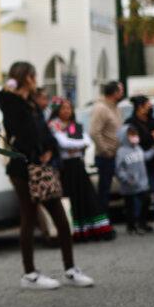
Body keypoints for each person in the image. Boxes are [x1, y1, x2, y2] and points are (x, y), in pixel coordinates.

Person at [0, 62, 95, 290]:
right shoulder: (11, 102)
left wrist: (49, 148)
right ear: (26, 77)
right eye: (33, 75)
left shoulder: (32, 102)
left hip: (42, 167)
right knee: (28, 218)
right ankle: (29, 274)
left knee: (60, 217)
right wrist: (11, 90)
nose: (36, 79)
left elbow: (43, 129)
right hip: (22, 169)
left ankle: (71, 269)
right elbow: (22, 130)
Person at [49, 99, 114, 241]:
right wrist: (77, 145)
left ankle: (94, 230)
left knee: (87, 197)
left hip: (78, 166)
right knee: (72, 199)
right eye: (63, 108)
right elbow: (62, 143)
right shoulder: (54, 125)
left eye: (69, 108)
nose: (67, 111)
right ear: (57, 110)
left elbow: (87, 141)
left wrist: (75, 146)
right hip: (65, 168)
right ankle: (75, 231)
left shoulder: (75, 126)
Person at [126, 96, 154, 231]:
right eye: (147, 105)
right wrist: (151, 136)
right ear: (140, 107)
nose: (150, 108)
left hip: (153, 165)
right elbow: (133, 139)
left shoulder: (152, 121)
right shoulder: (131, 123)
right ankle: (138, 222)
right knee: (140, 194)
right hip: (137, 165)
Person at [90, 81, 125, 212]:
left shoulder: (115, 107)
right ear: (114, 93)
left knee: (123, 186)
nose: (122, 93)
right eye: (120, 90)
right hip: (106, 157)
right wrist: (105, 150)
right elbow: (94, 132)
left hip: (117, 155)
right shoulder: (101, 108)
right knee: (104, 191)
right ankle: (103, 223)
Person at [116, 125, 153, 234]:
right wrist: (126, 178)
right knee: (130, 207)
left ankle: (142, 223)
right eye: (131, 135)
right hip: (129, 184)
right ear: (124, 137)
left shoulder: (138, 148)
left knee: (146, 200)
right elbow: (119, 169)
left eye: (135, 134)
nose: (134, 137)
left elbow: (145, 156)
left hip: (142, 183)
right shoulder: (121, 151)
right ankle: (131, 226)